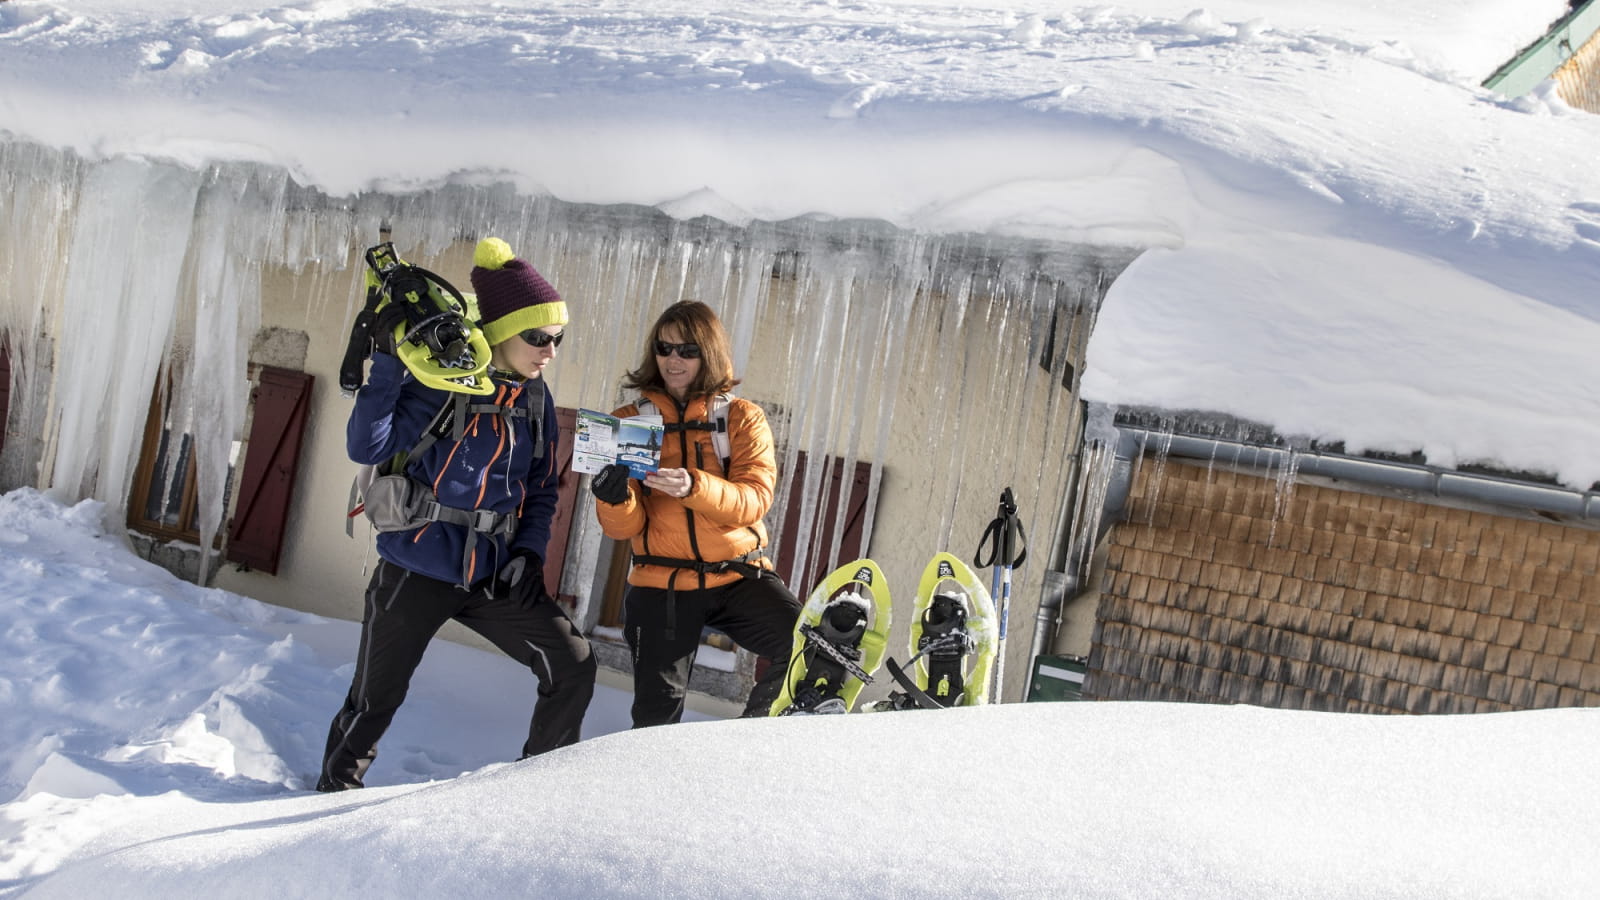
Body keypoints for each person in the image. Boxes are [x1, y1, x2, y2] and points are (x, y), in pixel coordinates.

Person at [318, 237, 596, 792]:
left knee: (573, 664)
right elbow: (366, 445)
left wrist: (528, 554)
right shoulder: (437, 383)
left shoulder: (536, 400)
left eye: (557, 339)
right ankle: (331, 793)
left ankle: (534, 790)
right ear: (501, 332)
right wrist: (388, 364)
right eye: (537, 337)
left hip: (493, 573)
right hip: (415, 566)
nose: (549, 351)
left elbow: (543, 488)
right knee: (375, 699)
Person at [591, 300, 801, 726]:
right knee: (656, 716)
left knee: (806, 647)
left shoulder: (742, 418)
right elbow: (623, 528)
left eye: (688, 350)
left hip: (737, 575)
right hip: (659, 583)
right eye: (664, 348)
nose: (674, 360)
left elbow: (754, 499)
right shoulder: (628, 421)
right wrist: (613, 499)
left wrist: (695, 487)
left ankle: (747, 740)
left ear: (710, 353)